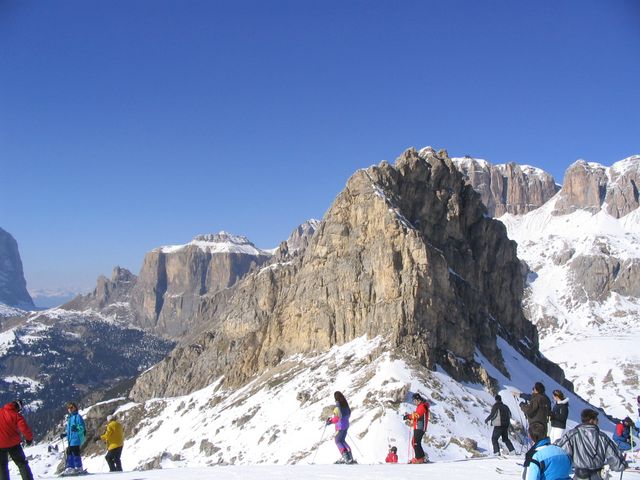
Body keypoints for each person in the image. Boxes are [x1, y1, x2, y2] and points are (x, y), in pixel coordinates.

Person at [556, 408, 627, 480]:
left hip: (580, 476)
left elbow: (558, 449)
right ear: (591, 420)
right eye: (597, 419)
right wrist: (621, 465)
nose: (598, 422)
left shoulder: (572, 435)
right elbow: (615, 457)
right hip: (598, 476)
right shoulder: (602, 437)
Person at [0, 400, 34, 480]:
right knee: (22, 464)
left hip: (0, 444)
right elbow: (24, 429)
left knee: (2, 466)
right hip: (14, 444)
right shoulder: (16, 415)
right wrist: (29, 439)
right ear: (18, 408)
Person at [326, 391, 354, 464]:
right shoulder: (346, 405)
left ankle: (346, 458)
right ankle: (350, 457)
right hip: (346, 425)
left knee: (337, 441)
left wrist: (330, 421)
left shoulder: (338, 407)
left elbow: (336, 419)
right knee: (342, 441)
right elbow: (349, 414)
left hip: (340, 426)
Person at [60, 402, 86, 475]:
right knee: (71, 451)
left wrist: (76, 428)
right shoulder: (70, 418)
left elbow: (82, 427)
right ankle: (75, 467)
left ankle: (73, 467)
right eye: (68, 408)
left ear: (75, 408)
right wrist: (65, 434)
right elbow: (69, 430)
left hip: (76, 437)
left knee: (72, 451)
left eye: (71, 407)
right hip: (71, 439)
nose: (70, 409)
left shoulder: (78, 417)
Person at [403, 393, 429, 464]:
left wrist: (408, 416)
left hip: (420, 427)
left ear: (418, 400)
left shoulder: (422, 406)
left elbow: (417, 415)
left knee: (415, 442)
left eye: (415, 400)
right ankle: (421, 458)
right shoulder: (420, 406)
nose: (414, 402)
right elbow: (418, 417)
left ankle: (419, 458)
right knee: (415, 442)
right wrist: (412, 421)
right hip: (418, 427)